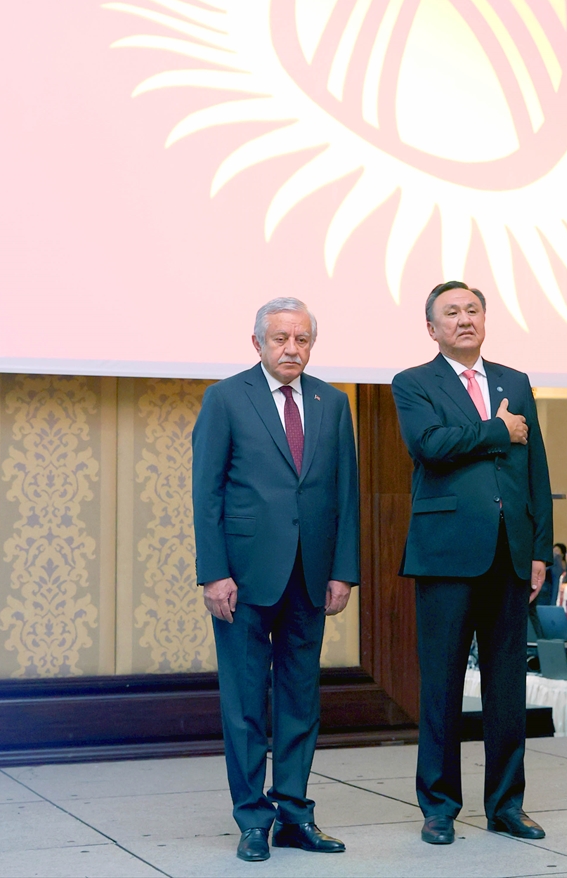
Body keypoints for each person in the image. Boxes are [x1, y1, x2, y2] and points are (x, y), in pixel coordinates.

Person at [192, 297, 359, 863]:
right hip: (242, 578)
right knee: (244, 704)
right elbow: (206, 492)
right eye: (281, 338)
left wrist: (343, 571)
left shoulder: (333, 402)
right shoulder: (225, 398)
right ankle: (252, 820)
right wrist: (214, 573)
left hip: (311, 576)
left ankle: (294, 814)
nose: (292, 348)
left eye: (302, 339)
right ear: (258, 343)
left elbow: (345, 492)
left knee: (300, 701)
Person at [391, 281, 554, 847]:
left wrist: (539, 550)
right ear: (431, 328)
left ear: (485, 319)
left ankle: (507, 805)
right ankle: (439, 807)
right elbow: (430, 445)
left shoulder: (515, 381)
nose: (464, 319)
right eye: (451, 313)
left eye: (473, 310)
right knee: (441, 685)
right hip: (445, 554)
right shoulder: (413, 382)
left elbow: (536, 468)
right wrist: (497, 431)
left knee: (507, 686)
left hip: (511, 552)